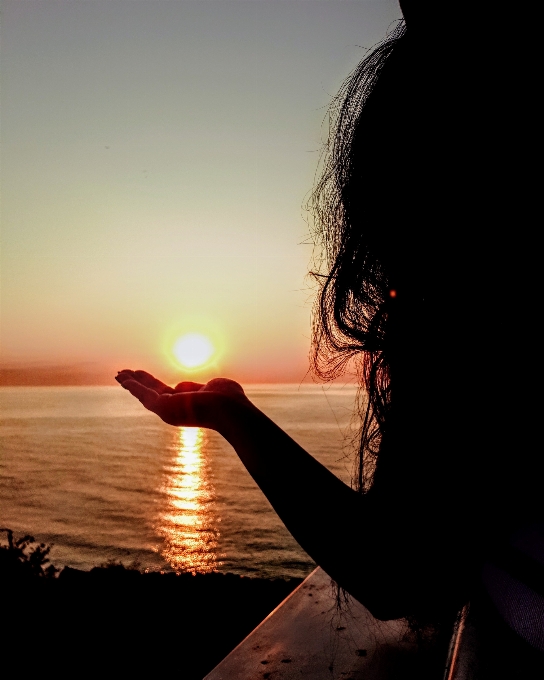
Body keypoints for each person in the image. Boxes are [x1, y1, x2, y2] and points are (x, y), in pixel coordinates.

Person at [117, 2, 543, 677]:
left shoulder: (473, 334)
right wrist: (232, 411)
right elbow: (413, 563)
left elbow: (399, 571)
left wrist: (232, 416)